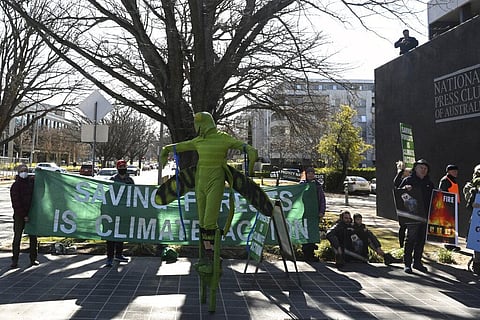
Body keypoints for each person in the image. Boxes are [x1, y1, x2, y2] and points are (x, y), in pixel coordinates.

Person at [159, 111, 258, 270]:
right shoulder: (198, 141)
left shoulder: (223, 138)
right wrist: (165, 151)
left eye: (198, 124)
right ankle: (208, 253)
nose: (197, 127)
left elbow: (246, 148)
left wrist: (251, 161)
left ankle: (212, 253)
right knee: (203, 221)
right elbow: (177, 147)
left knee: (210, 220)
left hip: (215, 182)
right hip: (200, 184)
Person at [398, 159, 434, 274]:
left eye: (425, 168)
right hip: (412, 215)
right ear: (415, 168)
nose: (423, 170)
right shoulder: (408, 180)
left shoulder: (429, 183)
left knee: (421, 239)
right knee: (411, 239)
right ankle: (407, 263)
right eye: (421, 167)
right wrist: (405, 189)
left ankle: (417, 262)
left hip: (425, 215)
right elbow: (398, 194)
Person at [105, 159, 134, 267]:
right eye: (120, 168)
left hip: (124, 211)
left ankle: (119, 254)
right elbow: (108, 194)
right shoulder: (112, 180)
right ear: (117, 169)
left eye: (124, 167)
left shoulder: (130, 180)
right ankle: (109, 257)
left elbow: (134, 194)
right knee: (111, 235)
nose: (123, 169)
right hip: (113, 212)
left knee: (121, 233)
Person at [10, 164, 38, 268]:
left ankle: (33, 258)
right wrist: (24, 215)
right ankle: (15, 260)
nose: (24, 172)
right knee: (17, 237)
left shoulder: (31, 183)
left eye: (26, 170)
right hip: (19, 215)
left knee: (33, 237)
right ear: (18, 172)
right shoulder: (15, 186)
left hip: (31, 214)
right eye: (22, 171)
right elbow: (16, 203)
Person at [299, 167, 326, 262]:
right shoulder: (301, 185)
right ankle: (306, 253)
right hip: (304, 213)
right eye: (309, 173)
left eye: (312, 173)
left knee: (312, 233)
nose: (311, 175)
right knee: (305, 233)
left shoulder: (318, 186)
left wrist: (322, 211)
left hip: (315, 214)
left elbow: (322, 199)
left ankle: (311, 253)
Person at [439, 164, 461, 251]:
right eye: (454, 171)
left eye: (456, 171)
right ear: (448, 171)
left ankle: (453, 244)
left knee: (453, 226)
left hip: (454, 205)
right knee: (448, 226)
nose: (456, 173)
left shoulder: (453, 180)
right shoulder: (445, 180)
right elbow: (442, 193)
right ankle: (448, 245)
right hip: (448, 206)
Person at [463, 164, 480, 275]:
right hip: (476, 220)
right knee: (477, 244)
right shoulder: (470, 186)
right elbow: (467, 196)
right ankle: (477, 264)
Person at [393, 161, 411, 248]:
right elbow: (396, 183)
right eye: (408, 171)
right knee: (403, 226)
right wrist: (402, 170)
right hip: (403, 206)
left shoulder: (411, 180)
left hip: (412, 206)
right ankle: (401, 245)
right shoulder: (400, 180)